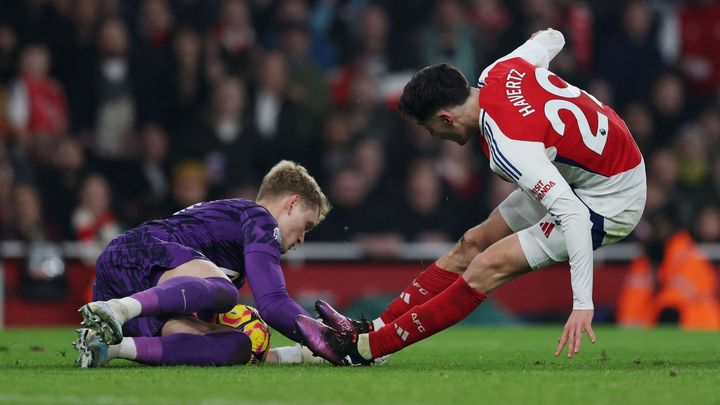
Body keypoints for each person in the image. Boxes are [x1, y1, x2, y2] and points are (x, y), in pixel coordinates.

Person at [295, 28, 647, 365]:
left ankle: (366, 349)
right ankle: (373, 328)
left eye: (428, 127)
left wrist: (583, 303)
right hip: (584, 172)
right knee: (472, 243)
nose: (432, 136)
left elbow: (572, 215)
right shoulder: (499, 70)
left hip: (611, 199)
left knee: (487, 267)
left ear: (446, 118)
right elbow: (553, 37)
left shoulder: (508, 146)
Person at [73, 160, 331, 367]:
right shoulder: (258, 218)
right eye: (305, 225)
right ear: (292, 202)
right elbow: (273, 303)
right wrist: (327, 338)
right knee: (226, 292)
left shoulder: (231, 258)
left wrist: (296, 354)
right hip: (137, 251)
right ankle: (118, 309)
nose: (301, 239)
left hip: (138, 285)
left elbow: (202, 324)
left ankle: (110, 347)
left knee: (237, 346)